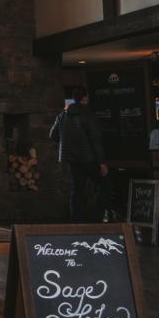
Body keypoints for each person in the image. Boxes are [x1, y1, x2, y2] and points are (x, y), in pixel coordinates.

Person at [49, 90, 107, 222]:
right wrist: (102, 162)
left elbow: (53, 135)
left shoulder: (62, 115)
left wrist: (68, 142)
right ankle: (96, 217)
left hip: (71, 159)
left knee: (77, 189)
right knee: (104, 184)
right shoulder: (87, 115)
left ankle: (77, 220)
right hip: (88, 158)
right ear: (85, 98)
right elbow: (95, 139)